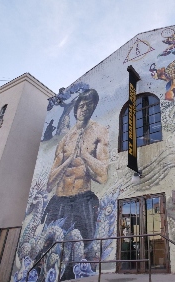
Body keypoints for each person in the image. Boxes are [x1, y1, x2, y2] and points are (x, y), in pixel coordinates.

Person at [44, 89, 109, 242]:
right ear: (76, 109)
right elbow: (49, 184)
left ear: (94, 108)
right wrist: (69, 160)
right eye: (81, 105)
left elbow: (103, 177)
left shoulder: (99, 132)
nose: (85, 109)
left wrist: (85, 155)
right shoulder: (64, 140)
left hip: (82, 200)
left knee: (81, 248)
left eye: (89, 105)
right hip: (59, 200)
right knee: (48, 247)